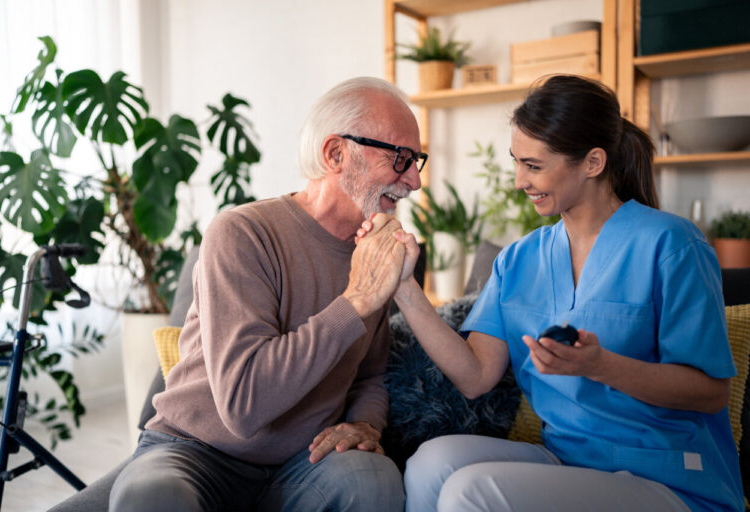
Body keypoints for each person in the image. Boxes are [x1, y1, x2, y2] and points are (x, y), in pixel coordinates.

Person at [358, 74, 743, 511]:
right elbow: (475, 376)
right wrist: (405, 287)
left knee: (472, 491)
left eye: (534, 166)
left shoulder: (672, 244)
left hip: (668, 479)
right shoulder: (519, 259)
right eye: (516, 162)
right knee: (433, 461)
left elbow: (710, 391)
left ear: (593, 162)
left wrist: (601, 366)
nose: (520, 180)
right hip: (570, 462)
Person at [108, 76, 425, 511]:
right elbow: (244, 407)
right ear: (336, 153)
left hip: (304, 462)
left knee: (374, 481)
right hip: (196, 452)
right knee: (149, 497)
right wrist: (356, 302)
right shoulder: (242, 233)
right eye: (402, 159)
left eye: (417, 161)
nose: (414, 181)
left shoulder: (376, 250)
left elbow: (370, 375)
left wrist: (365, 426)